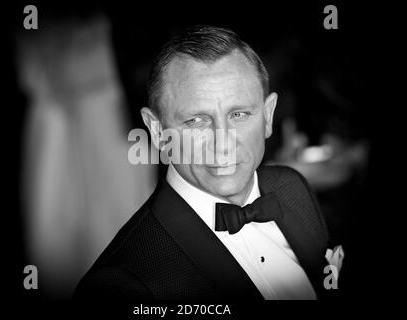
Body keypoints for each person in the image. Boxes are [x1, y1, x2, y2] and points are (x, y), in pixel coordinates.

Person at [74, 25, 343, 301]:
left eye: (238, 114)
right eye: (196, 121)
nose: (223, 143)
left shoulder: (292, 186)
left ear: (268, 115)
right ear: (157, 132)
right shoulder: (122, 285)